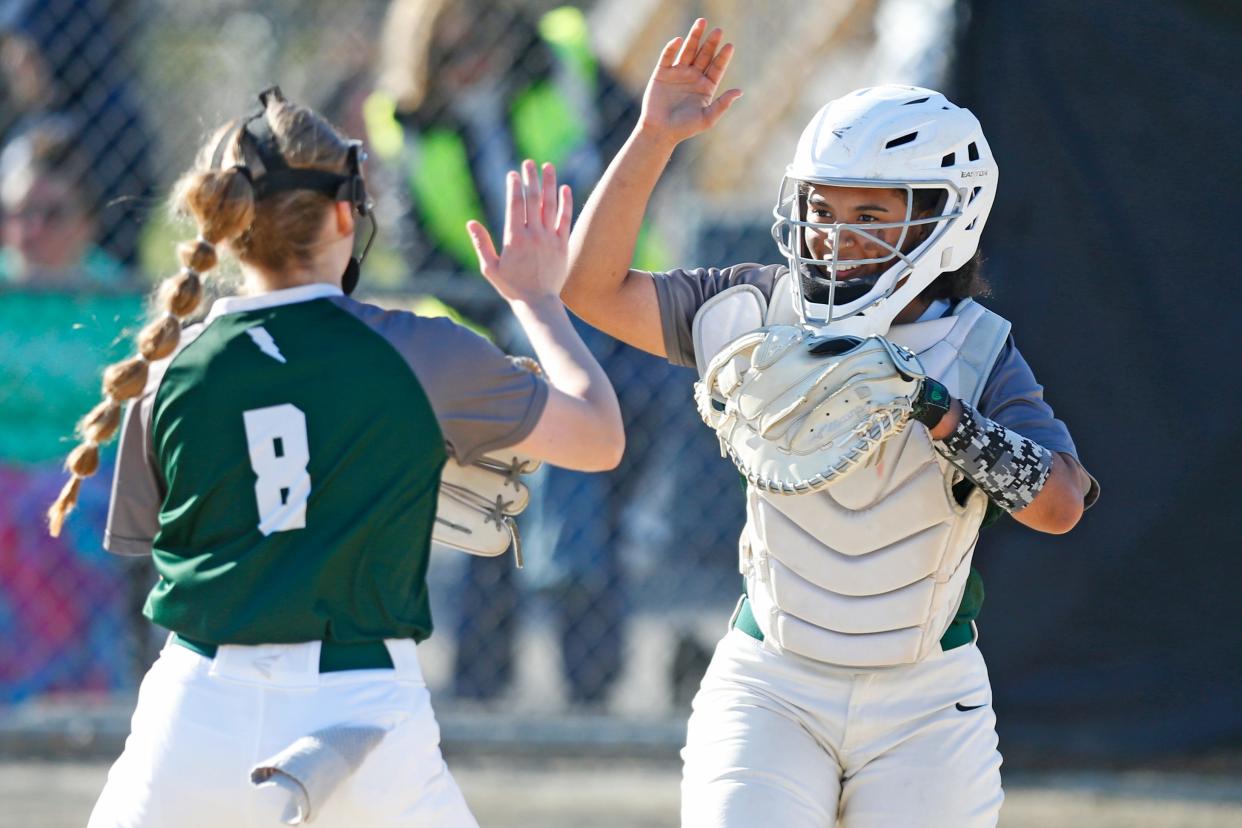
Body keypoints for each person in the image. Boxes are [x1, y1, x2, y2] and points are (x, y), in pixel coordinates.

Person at [561, 19, 1098, 828]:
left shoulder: (976, 349)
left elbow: (1060, 504)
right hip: (771, 680)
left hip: (924, 700)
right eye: (822, 209)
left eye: (871, 214)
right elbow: (591, 289)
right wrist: (651, 137)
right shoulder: (755, 304)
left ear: (945, 221)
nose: (836, 237)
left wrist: (939, 412)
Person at [48, 88, 622, 827]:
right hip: (361, 710)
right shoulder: (420, 351)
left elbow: (162, 545)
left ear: (227, 227)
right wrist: (538, 302)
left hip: (196, 710)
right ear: (346, 213)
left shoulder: (169, 371)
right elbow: (600, 436)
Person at [368, 0, 694, 706]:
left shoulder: (565, 62)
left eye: (482, 38)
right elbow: (421, 252)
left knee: (587, 488)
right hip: (494, 333)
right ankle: (488, 687)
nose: (471, 62)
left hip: (617, 317)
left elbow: (648, 156)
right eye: (449, 54)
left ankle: (586, 692)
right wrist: (523, 307)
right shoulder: (409, 126)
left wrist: (571, 286)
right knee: (503, 497)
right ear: (425, 62)